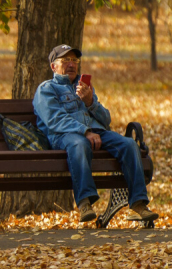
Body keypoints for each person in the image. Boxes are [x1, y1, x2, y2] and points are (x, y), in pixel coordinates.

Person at [32, 45, 159, 223]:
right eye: (66, 60)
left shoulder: (84, 86)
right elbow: (55, 120)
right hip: (65, 136)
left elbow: (106, 119)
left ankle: (139, 204)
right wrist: (85, 131)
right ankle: (85, 204)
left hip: (97, 132)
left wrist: (91, 102)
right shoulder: (46, 89)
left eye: (75, 60)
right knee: (79, 144)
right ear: (54, 66)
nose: (71, 64)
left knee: (129, 144)